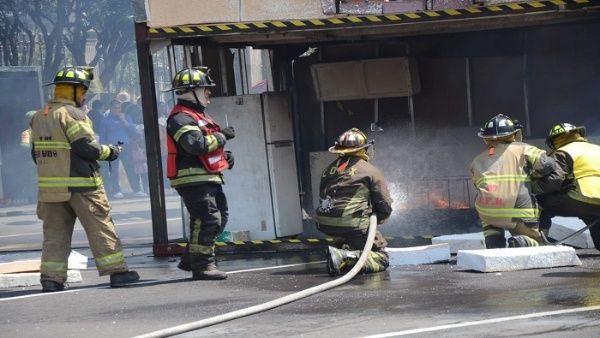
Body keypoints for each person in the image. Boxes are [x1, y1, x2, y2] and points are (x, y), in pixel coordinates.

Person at [30, 66, 139, 292]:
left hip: (51, 189)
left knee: (54, 234)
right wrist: (111, 152)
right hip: (83, 185)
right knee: (101, 228)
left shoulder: (41, 116)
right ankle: (117, 272)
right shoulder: (73, 114)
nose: (85, 95)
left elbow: (35, 154)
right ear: (72, 90)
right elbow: (85, 147)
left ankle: (51, 279)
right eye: (83, 91)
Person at [165, 67, 235, 280]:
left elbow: (207, 145)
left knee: (218, 218)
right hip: (192, 178)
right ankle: (203, 266)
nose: (209, 93)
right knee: (207, 219)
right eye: (205, 89)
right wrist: (222, 137)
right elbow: (195, 145)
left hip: (207, 176)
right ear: (192, 91)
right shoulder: (180, 118)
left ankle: (191, 259)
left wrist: (226, 156)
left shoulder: (197, 116)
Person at [469, 114, 556, 249]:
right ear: (514, 134)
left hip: (488, 211)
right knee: (535, 241)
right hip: (518, 212)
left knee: (491, 223)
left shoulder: (477, 160)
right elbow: (547, 165)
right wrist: (533, 175)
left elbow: (478, 184)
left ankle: (494, 244)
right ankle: (525, 242)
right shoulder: (524, 148)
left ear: (486, 138)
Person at [315, 128, 393, 276]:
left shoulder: (328, 170)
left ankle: (339, 249)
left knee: (347, 233)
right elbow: (383, 201)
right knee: (381, 258)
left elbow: (325, 196)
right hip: (353, 224)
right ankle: (345, 257)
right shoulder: (370, 170)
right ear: (362, 149)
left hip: (325, 223)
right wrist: (381, 217)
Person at [533, 123, 600, 249]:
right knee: (593, 214)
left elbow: (554, 180)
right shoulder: (597, 148)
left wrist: (532, 188)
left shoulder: (563, 152)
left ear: (554, 140)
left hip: (579, 197)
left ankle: (538, 244)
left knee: (538, 204)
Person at [98, 99, 142, 198]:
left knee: (130, 168)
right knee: (114, 170)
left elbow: (133, 132)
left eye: (119, 108)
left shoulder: (126, 117)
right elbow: (102, 136)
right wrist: (103, 149)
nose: (117, 110)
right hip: (112, 147)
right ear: (111, 108)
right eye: (115, 108)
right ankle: (116, 190)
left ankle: (136, 189)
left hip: (125, 146)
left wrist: (124, 120)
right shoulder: (106, 120)